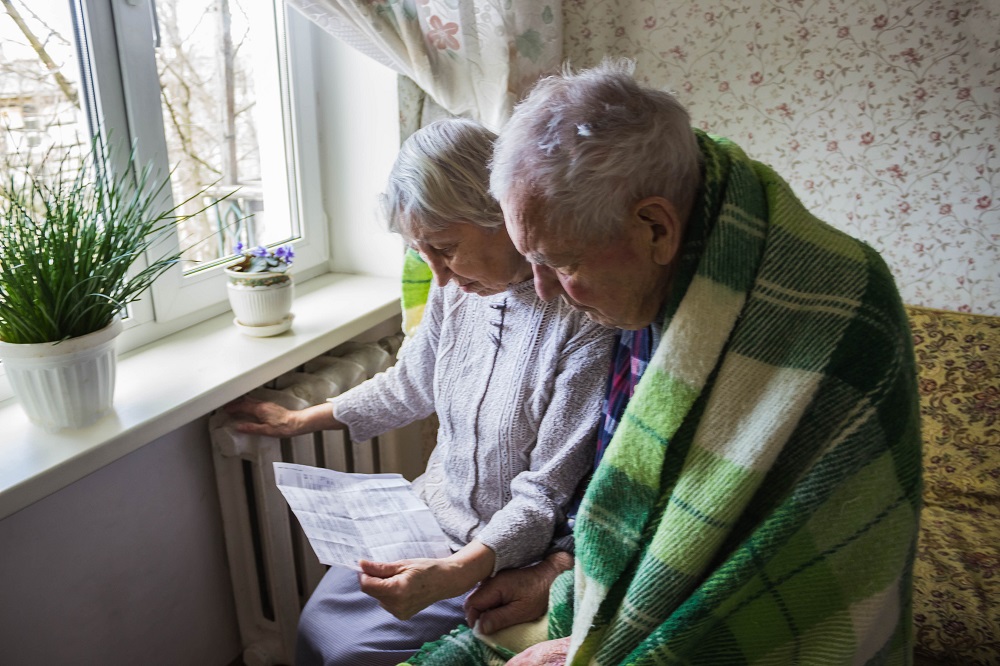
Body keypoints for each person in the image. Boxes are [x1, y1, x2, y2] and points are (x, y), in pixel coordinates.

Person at [404, 60, 921, 665]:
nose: (542, 291)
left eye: (561, 263)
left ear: (656, 228)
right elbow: (623, 487)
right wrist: (558, 570)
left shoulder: (838, 311)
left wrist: (589, 652)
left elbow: (791, 578)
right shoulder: (647, 283)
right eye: (530, 261)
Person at [226, 117, 615, 666]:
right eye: (421, 251)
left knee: (352, 655)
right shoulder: (457, 292)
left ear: (503, 216)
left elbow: (544, 495)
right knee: (316, 624)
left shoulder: (583, 319)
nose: (437, 275)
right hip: (427, 516)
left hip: (503, 554)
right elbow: (410, 383)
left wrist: (456, 572)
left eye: (447, 247)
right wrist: (299, 420)